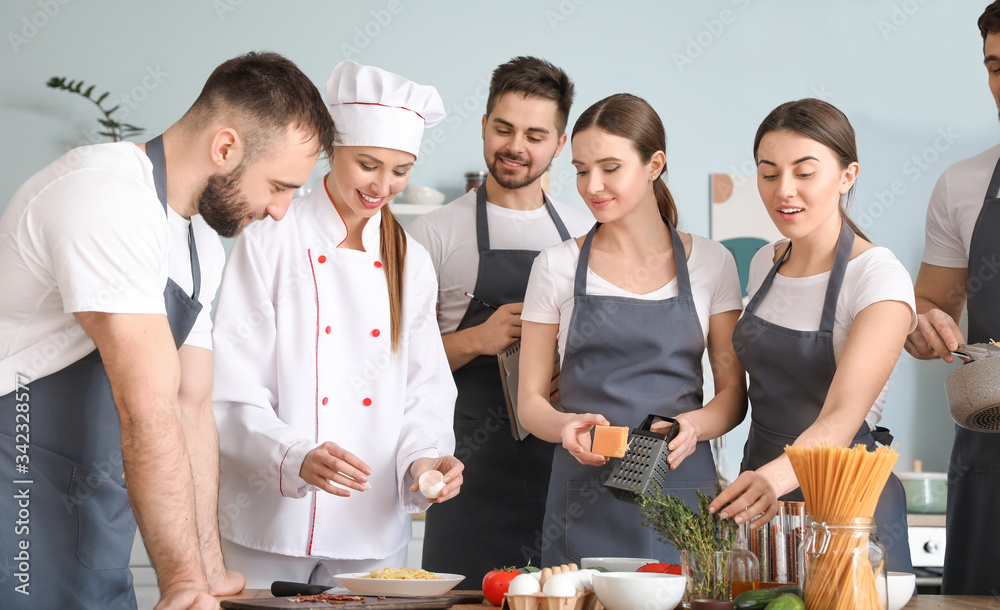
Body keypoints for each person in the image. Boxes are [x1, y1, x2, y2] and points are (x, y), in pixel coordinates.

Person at [0, 52, 335, 610]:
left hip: (93, 503)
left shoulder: (200, 240)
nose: (281, 211)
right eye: (278, 186)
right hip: (19, 486)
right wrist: (181, 584)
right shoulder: (103, 197)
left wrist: (206, 572)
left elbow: (191, 406)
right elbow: (148, 407)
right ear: (225, 148)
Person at [211, 60, 462, 588]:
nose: (383, 185)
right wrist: (294, 455)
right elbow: (230, 383)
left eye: (400, 170)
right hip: (267, 521)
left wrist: (425, 461)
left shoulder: (410, 259)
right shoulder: (270, 237)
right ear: (333, 151)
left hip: (369, 525)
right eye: (368, 164)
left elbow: (425, 389)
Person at [516, 93, 747, 565]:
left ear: (654, 164)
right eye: (581, 170)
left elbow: (732, 397)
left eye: (609, 168)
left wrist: (690, 427)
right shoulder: (556, 266)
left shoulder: (711, 262)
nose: (592, 185)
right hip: (583, 490)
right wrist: (565, 427)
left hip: (680, 484)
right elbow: (530, 404)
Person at [407, 56, 594, 581]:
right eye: (503, 128)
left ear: (559, 145)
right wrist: (476, 339)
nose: (516, 146)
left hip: (561, 469)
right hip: (467, 472)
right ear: (484, 126)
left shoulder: (584, 235)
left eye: (536, 135)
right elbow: (397, 364)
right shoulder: (433, 234)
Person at [709, 99, 916, 573]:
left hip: (845, 507)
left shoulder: (878, 278)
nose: (785, 191)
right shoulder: (766, 261)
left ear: (847, 176)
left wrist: (769, 481)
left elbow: (842, 417)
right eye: (769, 173)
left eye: (805, 172)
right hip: (763, 504)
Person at [903, 1, 1000, 593]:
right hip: (990, 454)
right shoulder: (962, 185)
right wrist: (920, 325)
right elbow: (929, 305)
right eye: (995, 66)